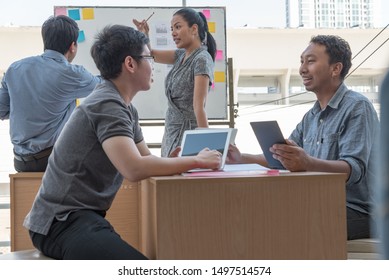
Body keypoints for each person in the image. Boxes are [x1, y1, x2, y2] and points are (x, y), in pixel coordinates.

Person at [23, 24, 222, 260]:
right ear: (130, 64)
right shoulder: (107, 104)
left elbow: (145, 158)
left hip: (79, 218)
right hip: (60, 222)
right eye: (149, 57)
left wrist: (173, 161)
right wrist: (197, 161)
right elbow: (134, 168)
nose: (153, 66)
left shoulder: (124, 106)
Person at [228, 35, 379, 240]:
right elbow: (283, 157)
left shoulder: (357, 107)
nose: (302, 69)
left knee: (283, 224)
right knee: (256, 211)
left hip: (359, 211)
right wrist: (241, 158)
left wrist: (307, 162)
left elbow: (353, 169)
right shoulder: (312, 116)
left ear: (335, 69)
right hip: (319, 202)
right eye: (301, 61)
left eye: (311, 61)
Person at [0, 15, 101, 172]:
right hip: (53, 160)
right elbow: (105, 85)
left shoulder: (14, 69)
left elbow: (2, 110)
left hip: (20, 162)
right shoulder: (72, 74)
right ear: (73, 46)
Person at [133, 8, 217, 157]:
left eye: (178, 27)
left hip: (188, 135)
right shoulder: (180, 55)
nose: (173, 33)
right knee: (168, 177)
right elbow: (151, 55)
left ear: (194, 29)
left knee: (181, 179)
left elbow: (199, 107)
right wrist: (144, 34)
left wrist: (208, 148)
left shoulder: (202, 59)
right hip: (172, 132)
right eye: (172, 29)